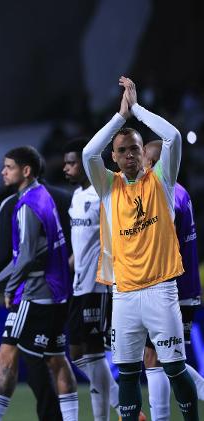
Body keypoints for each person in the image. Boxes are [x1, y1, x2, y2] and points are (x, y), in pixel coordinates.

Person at [82, 76, 198, 421]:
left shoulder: (162, 181)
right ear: (114, 158)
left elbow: (173, 136)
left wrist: (137, 110)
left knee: (175, 368)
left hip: (162, 289)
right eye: (122, 150)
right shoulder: (107, 187)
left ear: (144, 154)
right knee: (129, 372)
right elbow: (89, 152)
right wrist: (120, 118)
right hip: (125, 295)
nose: (130, 154)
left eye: (135, 148)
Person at [0, 145, 78, 421]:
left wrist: (9, 288)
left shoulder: (28, 205)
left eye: (8, 167)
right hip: (56, 292)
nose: (2, 172)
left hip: (34, 294)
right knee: (51, 359)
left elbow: (25, 255)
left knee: (29, 362)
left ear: (26, 171)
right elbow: (28, 252)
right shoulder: (42, 196)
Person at [142, 139, 204, 418]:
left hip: (172, 291)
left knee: (163, 358)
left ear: (152, 163)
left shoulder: (167, 198)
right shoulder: (180, 192)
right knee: (162, 358)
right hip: (184, 289)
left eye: (141, 157)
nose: (136, 162)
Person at [64, 139, 121, 421]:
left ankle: (105, 417)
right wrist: (70, 264)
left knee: (93, 350)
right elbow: (81, 241)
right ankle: (121, 404)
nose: (66, 167)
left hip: (98, 283)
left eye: (72, 162)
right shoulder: (75, 197)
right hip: (78, 284)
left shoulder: (103, 194)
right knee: (76, 352)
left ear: (87, 165)